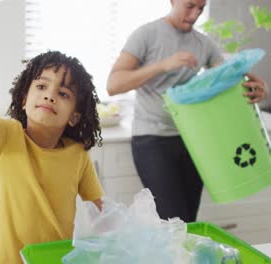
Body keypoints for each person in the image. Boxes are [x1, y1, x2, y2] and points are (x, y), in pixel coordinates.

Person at [0, 12, 104, 264]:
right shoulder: (6, 137)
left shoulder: (77, 154)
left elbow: (102, 212)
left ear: (74, 116)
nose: (49, 96)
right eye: (41, 86)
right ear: (24, 99)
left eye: (63, 93)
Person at [106, 0, 268, 223]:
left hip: (195, 141)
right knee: (173, 218)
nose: (194, 14)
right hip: (153, 139)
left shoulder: (204, 44)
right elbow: (114, 84)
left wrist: (255, 89)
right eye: (190, 5)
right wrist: (162, 65)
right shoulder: (146, 35)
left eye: (200, 8)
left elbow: (226, 81)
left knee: (188, 221)